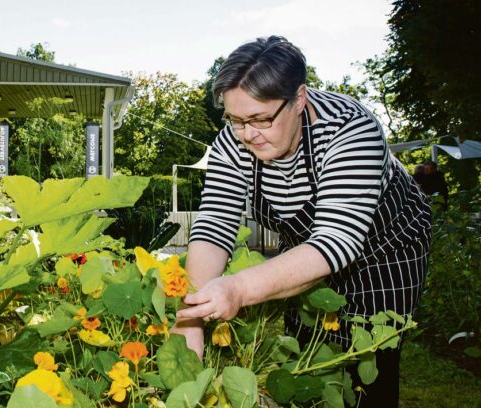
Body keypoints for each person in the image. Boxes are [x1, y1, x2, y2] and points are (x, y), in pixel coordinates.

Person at [174, 36, 432, 408]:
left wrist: (238, 289)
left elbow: (334, 243)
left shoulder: (350, 130)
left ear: (299, 99)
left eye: (261, 119)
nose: (248, 135)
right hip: (306, 246)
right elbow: (215, 224)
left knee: (365, 364)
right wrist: (191, 315)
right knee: (305, 358)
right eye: (236, 120)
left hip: (385, 248)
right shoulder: (234, 141)